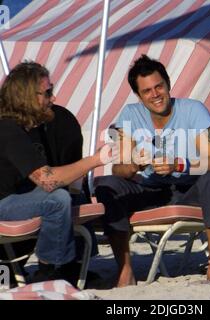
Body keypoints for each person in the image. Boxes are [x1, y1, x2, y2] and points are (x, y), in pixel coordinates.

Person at [95, 54, 210, 287]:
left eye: (159, 86)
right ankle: (125, 271)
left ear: (168, 84)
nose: (155, 94)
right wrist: (137, 163)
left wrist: (179, 165)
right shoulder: (129, 114)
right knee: (107, 184)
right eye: (147, 91)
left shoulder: (194, 110)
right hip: (150, 189)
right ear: (139, 95)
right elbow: (119, 168)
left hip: (189, 188)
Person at [0, 61, 117, 283]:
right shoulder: (8, 129)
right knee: (57, 198)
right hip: (3, 203)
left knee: (72, 194)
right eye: (48, 92)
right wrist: (96, 160)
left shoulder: (21, 128)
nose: (53, 98)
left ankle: (73, 265)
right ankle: (51, 269)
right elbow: (47, 180)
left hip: (12, 198)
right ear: (26, 97)